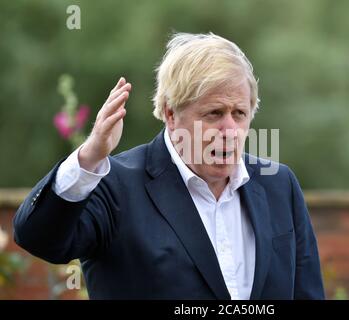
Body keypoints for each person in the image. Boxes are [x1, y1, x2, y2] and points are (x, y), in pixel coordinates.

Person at [13, 32, 325, 299]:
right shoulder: (115, 186)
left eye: (239, 114)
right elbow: (39, 239)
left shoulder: (278, 185)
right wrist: (90, 157)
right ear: (171, 114)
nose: (230, 129)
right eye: (214, 114)